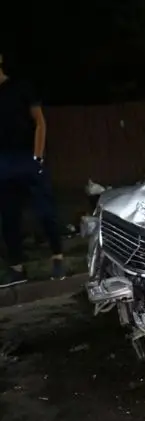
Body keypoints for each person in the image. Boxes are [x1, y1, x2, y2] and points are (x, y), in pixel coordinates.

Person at [0, 53, 65, 288]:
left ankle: (57, 258)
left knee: (45, 210)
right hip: (3, 162)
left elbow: (40, 122)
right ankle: (17, 268)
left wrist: (37, 157)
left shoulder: (20, 87)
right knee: (8, 216)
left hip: (27, 157)